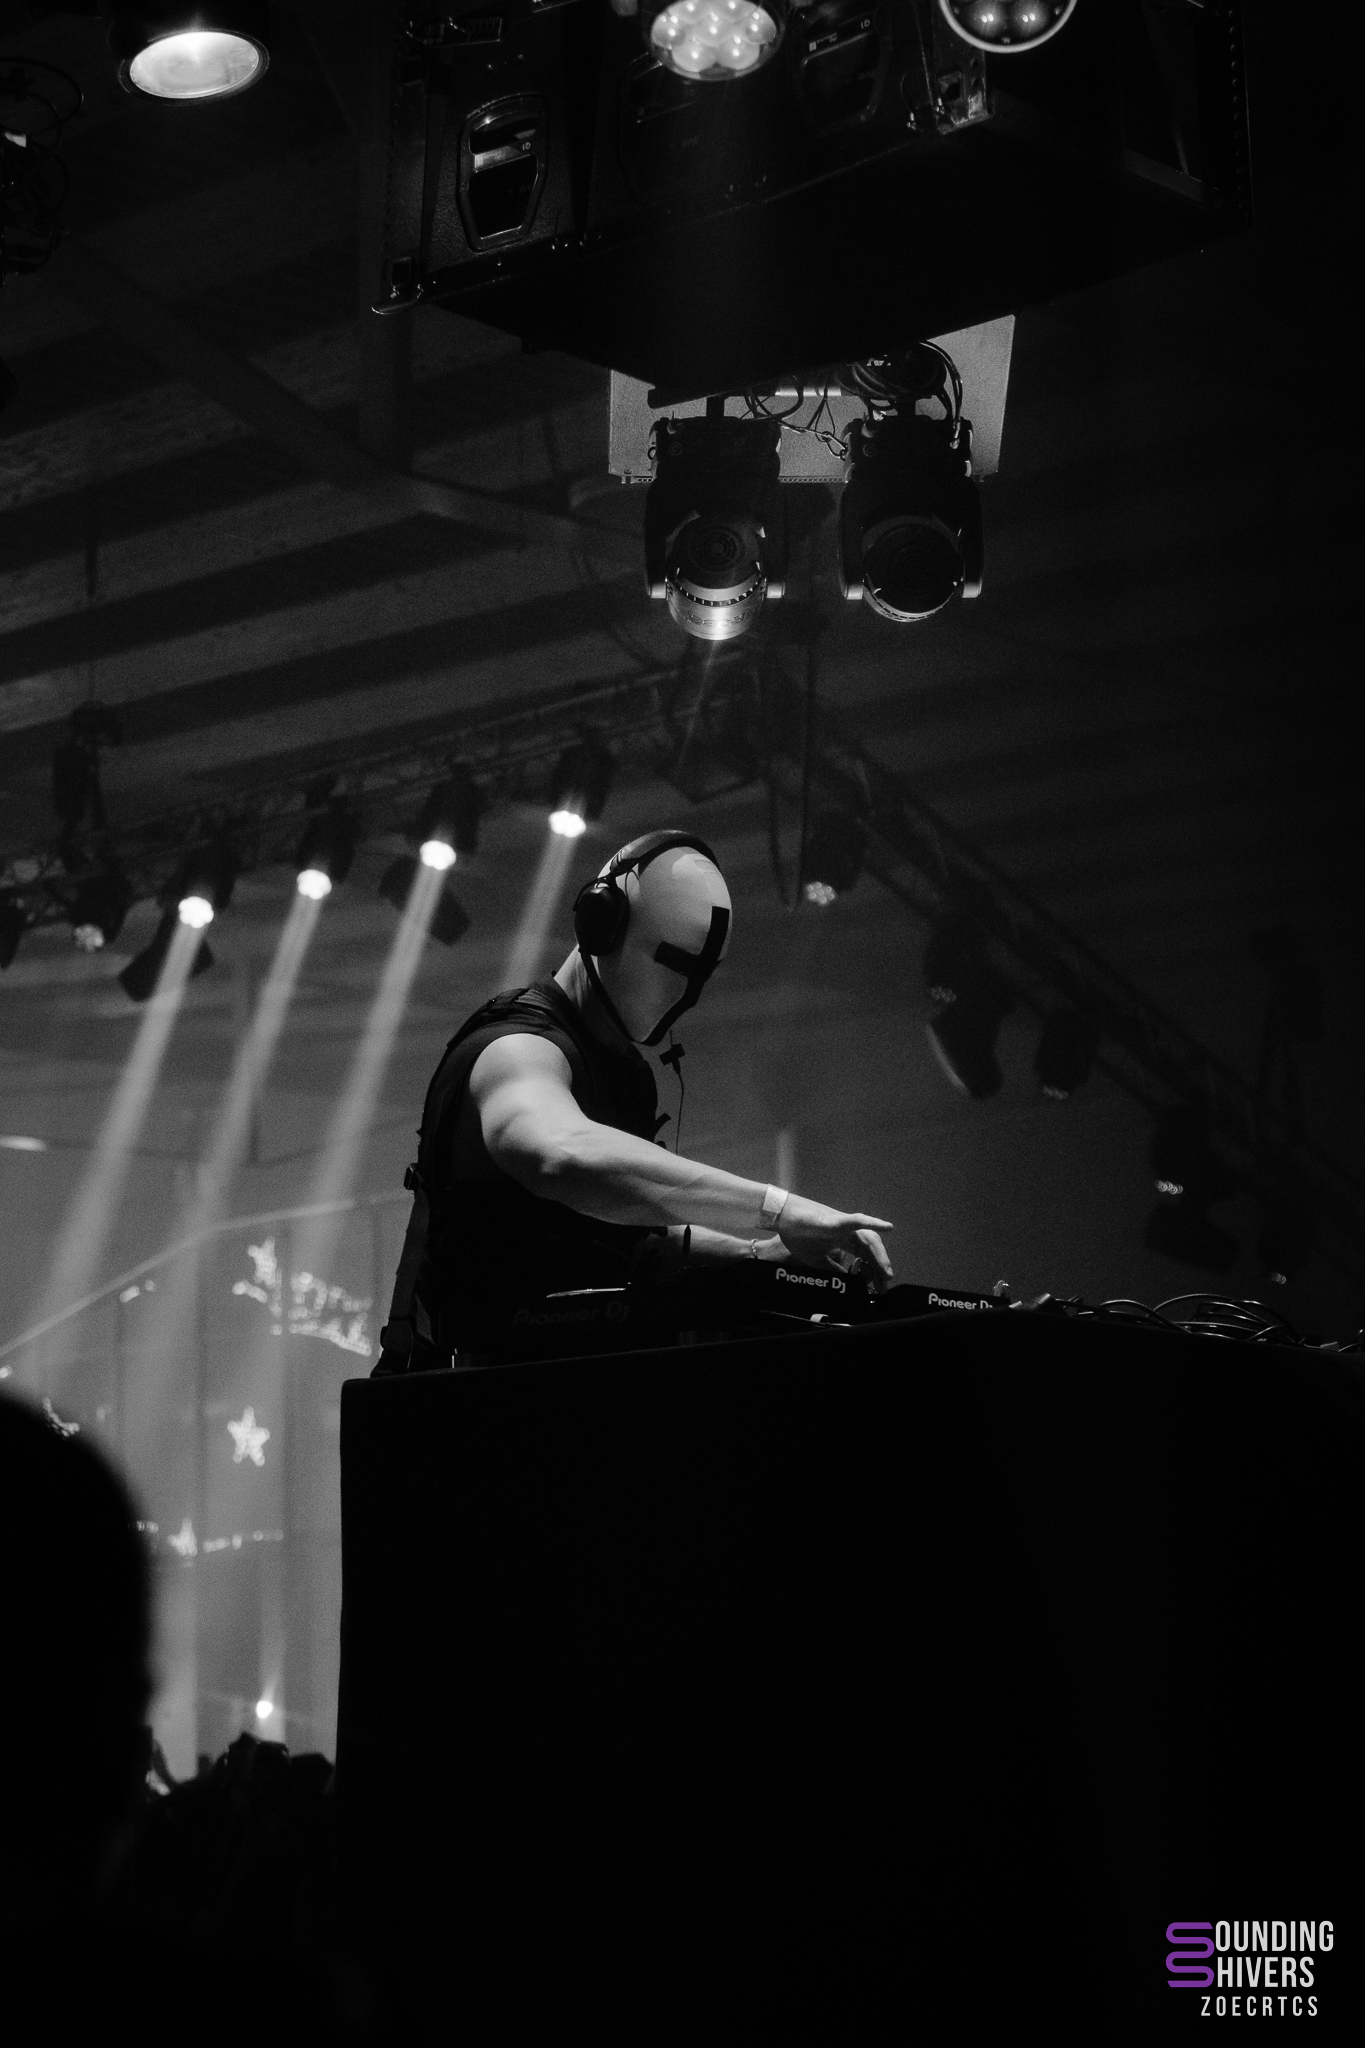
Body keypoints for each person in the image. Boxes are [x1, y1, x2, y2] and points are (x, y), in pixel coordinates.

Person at [378, 829, 893, 1367]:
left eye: (700, 977)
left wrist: (758, 1255)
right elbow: (559, 1154)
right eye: (675, 965)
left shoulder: (624, 1075)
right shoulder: (518, 1048)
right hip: (455, 1393)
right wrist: (778, 1209)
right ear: (601, 923)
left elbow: (625, 1240)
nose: (685, 994)